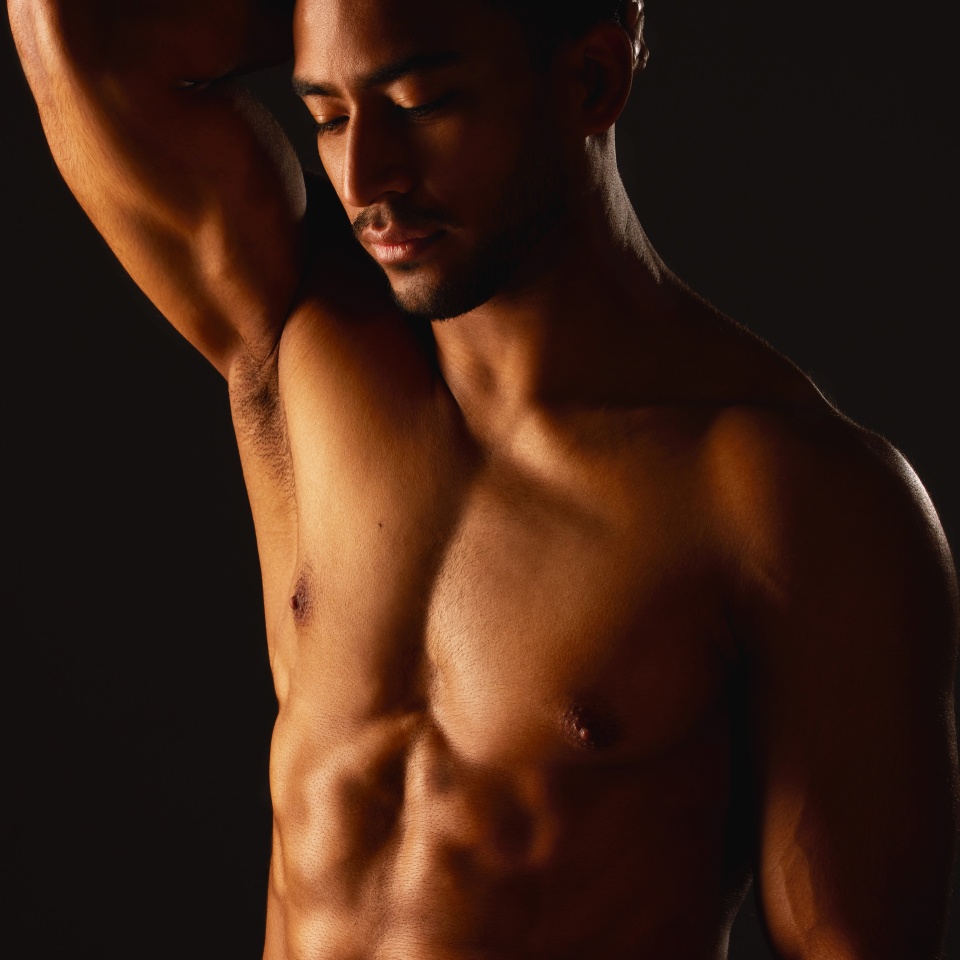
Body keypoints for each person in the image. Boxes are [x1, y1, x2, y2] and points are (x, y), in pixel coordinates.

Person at [8, 0, 959, 957]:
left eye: (422, 102)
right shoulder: (300, 340)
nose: (364, 175)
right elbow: (77, 35)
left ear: (592, 78)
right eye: (329, 114)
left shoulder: (793, 498)